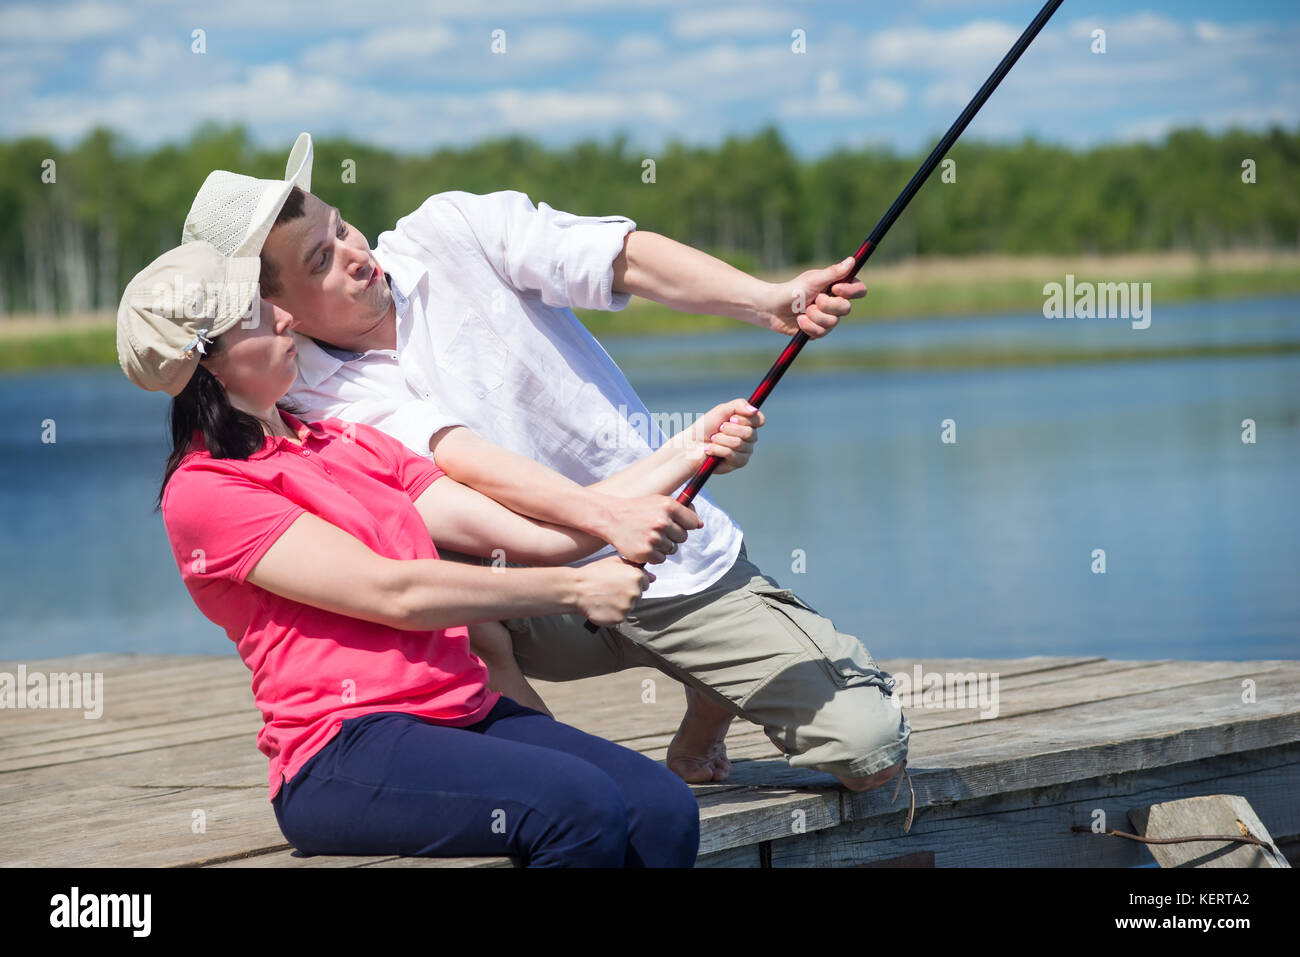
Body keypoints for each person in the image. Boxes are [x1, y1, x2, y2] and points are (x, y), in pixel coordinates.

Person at [180, 133, 911, 793]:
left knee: (869, 749)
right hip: (536, 591)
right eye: (321, 261)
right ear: (277, 308)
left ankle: (703, 705)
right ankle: (572, 778)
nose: (354, 253)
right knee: (410, 545)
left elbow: (616, 257)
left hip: (670, 555)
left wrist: (768, 301)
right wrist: (605, 518)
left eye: (341, 227)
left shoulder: (451, 228)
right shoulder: (303, 388)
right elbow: (461, 460)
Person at [116, 241, 766, 866]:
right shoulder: (208, 490)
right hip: (343, 750)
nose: (285, 314)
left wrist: (690, 449)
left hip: (460, 710)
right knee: (580, 808)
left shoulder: (349, 444)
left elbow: (538, 536)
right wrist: (574, 591)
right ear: (207, 360)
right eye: (258, 313)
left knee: (662, 808)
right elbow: (394, 592)